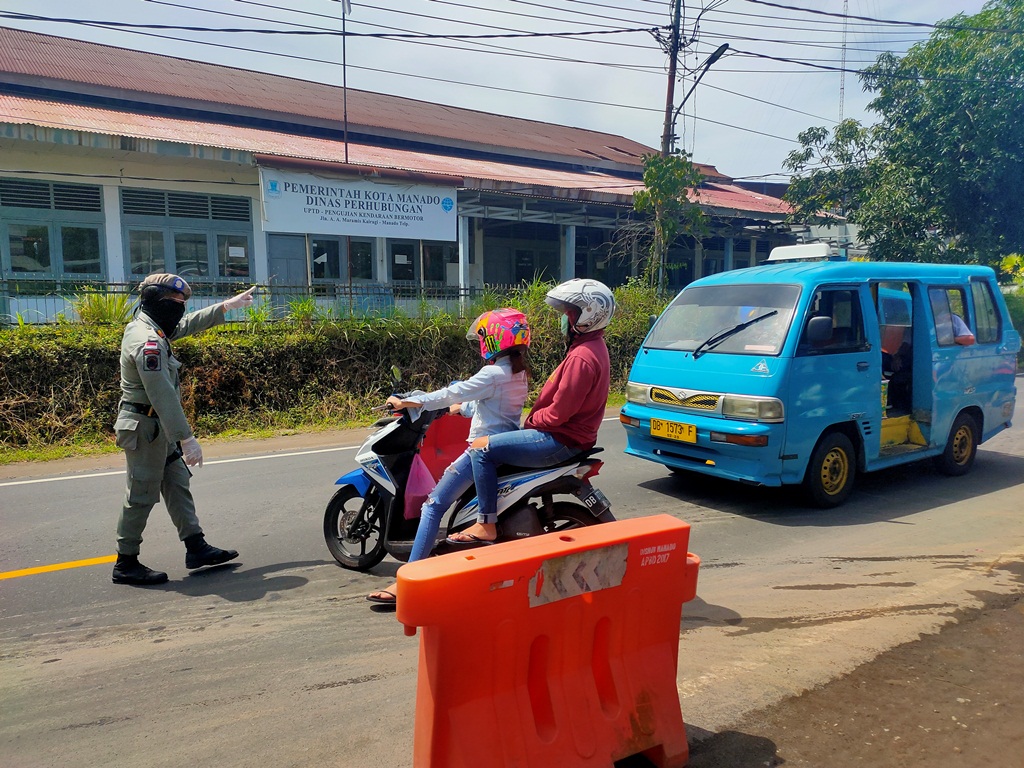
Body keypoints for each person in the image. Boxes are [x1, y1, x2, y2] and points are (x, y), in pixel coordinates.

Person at [366, 308, 531, 607]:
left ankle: (408, 580)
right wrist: (460, 409)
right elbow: (487, 405)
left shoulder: (493, 373)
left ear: (494, 339)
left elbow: (451, 393)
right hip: (503, 443)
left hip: (482, 449)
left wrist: (409, 401)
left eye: (482, 337)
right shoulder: (517, 372)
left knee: (433, 506)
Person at [111, 273, 256, 586]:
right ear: (157, 302)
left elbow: (187, 324)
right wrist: (187, 438)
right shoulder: (147, 341)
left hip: (157, 426)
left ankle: (196, 547)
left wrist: (226, 307)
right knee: (141, 494)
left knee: (177, 482)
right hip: (145, 427)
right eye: (175, 302)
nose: (180, 308)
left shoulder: (152, 326)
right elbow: (161, 394)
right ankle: (125, 562)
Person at [449, 278, 614, 545]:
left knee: (482, 449)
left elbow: (558, 414)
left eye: (568, 313)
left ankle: (485, 524)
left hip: (559, 438)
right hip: (571, 437)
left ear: (587, 315)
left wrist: (532, 420)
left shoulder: (582, 357)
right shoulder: (593, 348)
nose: (564, 319)